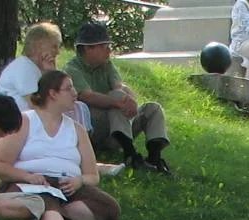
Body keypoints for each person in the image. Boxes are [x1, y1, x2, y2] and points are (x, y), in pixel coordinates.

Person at [0, 70, 121, 220]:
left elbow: (93, 176)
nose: (74, 93)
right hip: (30, 183)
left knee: (109, 208)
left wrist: (79, 181)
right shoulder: (25, 121)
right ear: (52, 94)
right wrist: (28, 177)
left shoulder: (78, 130)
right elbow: (0, 165)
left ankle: (56, 217)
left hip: (67, 186)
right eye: (68, 88)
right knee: (45, 198)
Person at [66, 22, 172, 175]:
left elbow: (119, 87)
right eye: (104, 46)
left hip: (117, 124)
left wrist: (131, 100)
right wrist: (117, 102)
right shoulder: (72, 69)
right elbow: (87, 96)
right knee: (116, 100)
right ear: (88, 48)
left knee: (152, 108)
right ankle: (130, 154)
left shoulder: (106, 65)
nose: (109, 51)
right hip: (95, 128)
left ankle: (154, 157)